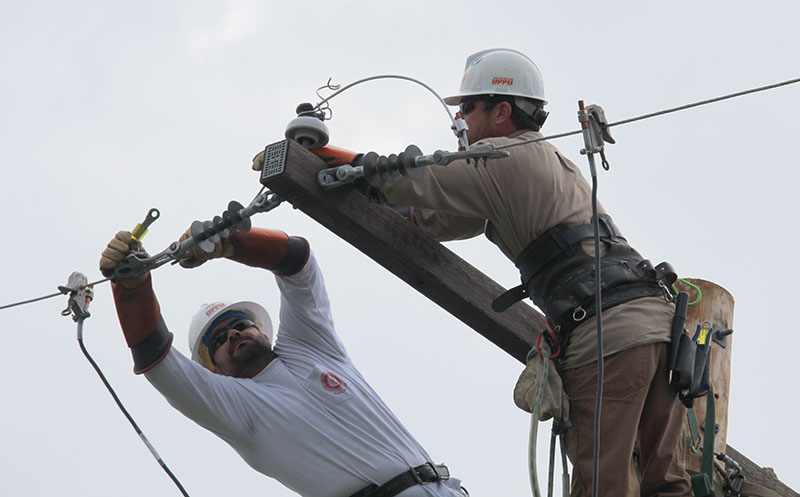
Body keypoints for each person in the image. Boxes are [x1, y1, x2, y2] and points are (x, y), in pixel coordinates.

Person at [371, 49, 692, 497]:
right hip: (659, 329)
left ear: (501, 110)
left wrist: (334, 165)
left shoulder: (500, 157)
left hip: (609, 335)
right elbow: (434, 217)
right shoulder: (540, 163)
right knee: (667, 483)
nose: (459, 119)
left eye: (467, 107)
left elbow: (411, 180)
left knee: (603, 484)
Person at [99, 226, 465, 497]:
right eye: (218, 340)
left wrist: (233, 242)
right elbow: (161, 366)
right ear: (213, 369)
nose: (233, 334)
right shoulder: (237, 408)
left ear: (261, 330)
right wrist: (133, 288)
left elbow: (300, 266)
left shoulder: (312, 347)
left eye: (239, 324)